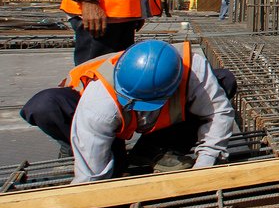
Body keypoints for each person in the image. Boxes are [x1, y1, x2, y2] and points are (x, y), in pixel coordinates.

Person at [20, 39, 236, 182]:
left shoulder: (194, 70)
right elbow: (90, 177)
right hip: (103, 119)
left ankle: (152, 152)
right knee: (45, 105)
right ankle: (115, 159)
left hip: (159, 122)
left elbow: (218, 113)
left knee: (224, 80)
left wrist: (206, 164)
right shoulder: (99, 100)